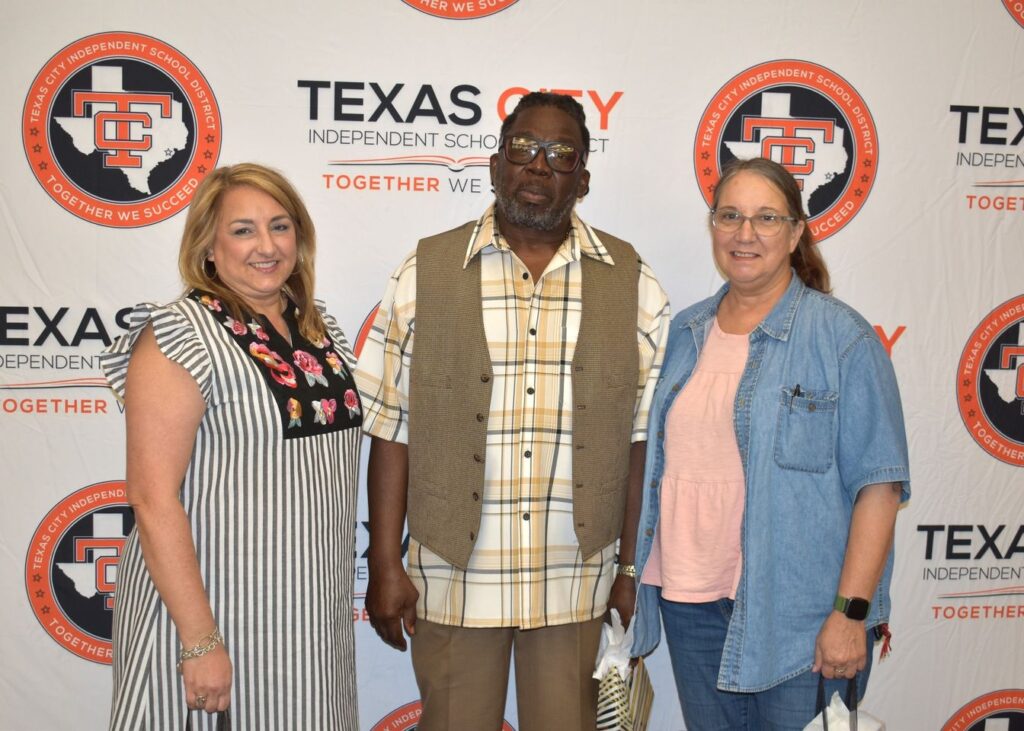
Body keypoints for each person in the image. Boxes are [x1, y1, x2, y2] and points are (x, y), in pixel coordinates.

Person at [354, 92, 670, 731]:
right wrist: (384, 563)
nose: (539, 165)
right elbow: (391, 427)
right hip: (453, 580)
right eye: (523, 148)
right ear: (496, 164)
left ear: (583, 179)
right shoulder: (425, 270)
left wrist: (631, 570)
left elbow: (643, 444)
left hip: (575, 582)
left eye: (560, 154)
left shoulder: (632, 281)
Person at [630, 157, 911, 730]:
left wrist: (850, 614)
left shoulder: (843, 338)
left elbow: (879, 488)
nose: (745, 233)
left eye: (766, 218)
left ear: (796, 231)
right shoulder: (683, 334)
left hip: (802, 620)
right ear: (713, 225)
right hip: (690, 605)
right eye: (730, 216)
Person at [100, 163, 362, 731]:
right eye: (243, 230)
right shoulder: (180, 335)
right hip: (211, 620)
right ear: (208, 247)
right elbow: (151, 497)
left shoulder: (321, 333)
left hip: (308, 627)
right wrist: (200, 642)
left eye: (280, 226)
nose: (267, 246)